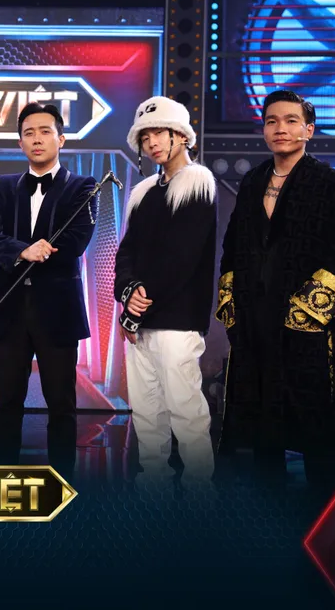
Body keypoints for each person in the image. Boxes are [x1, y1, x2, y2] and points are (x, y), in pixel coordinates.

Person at [216, 89, 335, 489]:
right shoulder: (253, 182)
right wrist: (231, 305)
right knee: (258, 417)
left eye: (290, 120)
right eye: (271, 121)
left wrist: (306, 312)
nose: (280, 128)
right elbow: (232, 247)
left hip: (304, 321)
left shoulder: (332, 184)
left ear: (309, 130)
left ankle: (324, 504)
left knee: (314, 411)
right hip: (253, 316)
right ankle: (266, 498)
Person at [0, 103, 98, 477]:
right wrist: (22, 250)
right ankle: (2, 482)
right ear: (20, 143)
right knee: (7, 402)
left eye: (45, 131)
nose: (37, 139)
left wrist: (20, 249)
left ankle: (63, 484)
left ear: (61, 139)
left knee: (61, 404)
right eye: (29, 133)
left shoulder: (83, 186)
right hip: (9, 309)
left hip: (58, 310)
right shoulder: (4, 185)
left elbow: (75, 242)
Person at [114, 96, 217, 490]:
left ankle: (199, 495)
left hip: (177, 319)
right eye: (144, 137)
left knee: (186, 413)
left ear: (181, 135)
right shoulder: (143, 192)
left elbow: (182, 257)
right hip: (140, 320)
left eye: (158, 133)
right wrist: (128, 293)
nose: (151, 142)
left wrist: (138, 303)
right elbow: (126, 253)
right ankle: (151, 490)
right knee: (146, 413)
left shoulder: (198, 181)